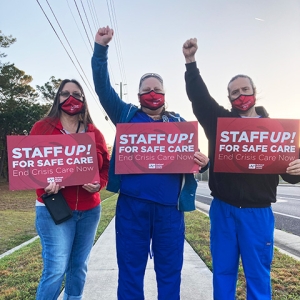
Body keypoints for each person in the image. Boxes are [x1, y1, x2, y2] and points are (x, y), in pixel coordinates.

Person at [92, 26, 209, 300]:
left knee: (170, 272)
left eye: (157, 89)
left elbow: (194, 160)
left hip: (170, 211)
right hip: (133, 207)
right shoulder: (125, 114)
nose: (152, 93)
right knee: (131, 271)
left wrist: (201, 163)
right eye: (146, 90)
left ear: (165, 94)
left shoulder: (179, 124)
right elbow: (101, 87)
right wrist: (101, 49)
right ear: (138, 94)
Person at [182, 38, 300, 300]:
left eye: (245, 89)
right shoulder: (220, 121)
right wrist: (191, 64)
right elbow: (200, 99)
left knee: (258, 275)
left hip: (258, 214)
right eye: (234, 92)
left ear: (255, 92)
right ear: (229, 98)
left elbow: (290, 176)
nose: (240, 95)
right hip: (223, 210)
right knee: (223, 273)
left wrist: (297, 168)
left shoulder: (277, 129)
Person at [30, 79, 110, 300]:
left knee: (79, 268)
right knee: (56, 269)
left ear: (83, 100)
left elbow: (106, 167)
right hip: (53, 208)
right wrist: (43, 186)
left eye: (76, 94)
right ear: (58, 98)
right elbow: (29, 165)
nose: (71, 98)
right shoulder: (42, 128)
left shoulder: (95, 133)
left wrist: (99, 184)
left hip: (89, 210)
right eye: (65, 93)